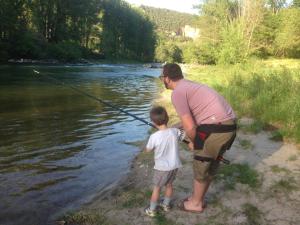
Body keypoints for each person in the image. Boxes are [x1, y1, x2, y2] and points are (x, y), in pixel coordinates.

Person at [159, 63, 237, 213]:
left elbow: (190, 127)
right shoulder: (189, 85)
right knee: (210, 165)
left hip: (215, 129)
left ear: (167, 78)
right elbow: (192, 119)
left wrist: (194, 143)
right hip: (229, 127)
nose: (162, 80)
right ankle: (198, 199)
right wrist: (172, 129)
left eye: (162, 77)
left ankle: (195, 204)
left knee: (201, 165)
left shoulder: (177, 93)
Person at [144, 106, 185, 217]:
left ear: (153, 122)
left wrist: (146, 147)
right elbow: (181, 131)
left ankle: (152, 210)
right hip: (174, 166)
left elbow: (147, 150)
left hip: (161, 168)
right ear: (167, 118)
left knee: (157, 188)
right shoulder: (175, 131)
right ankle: (166, 205)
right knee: (169, 185)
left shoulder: (154, 136)